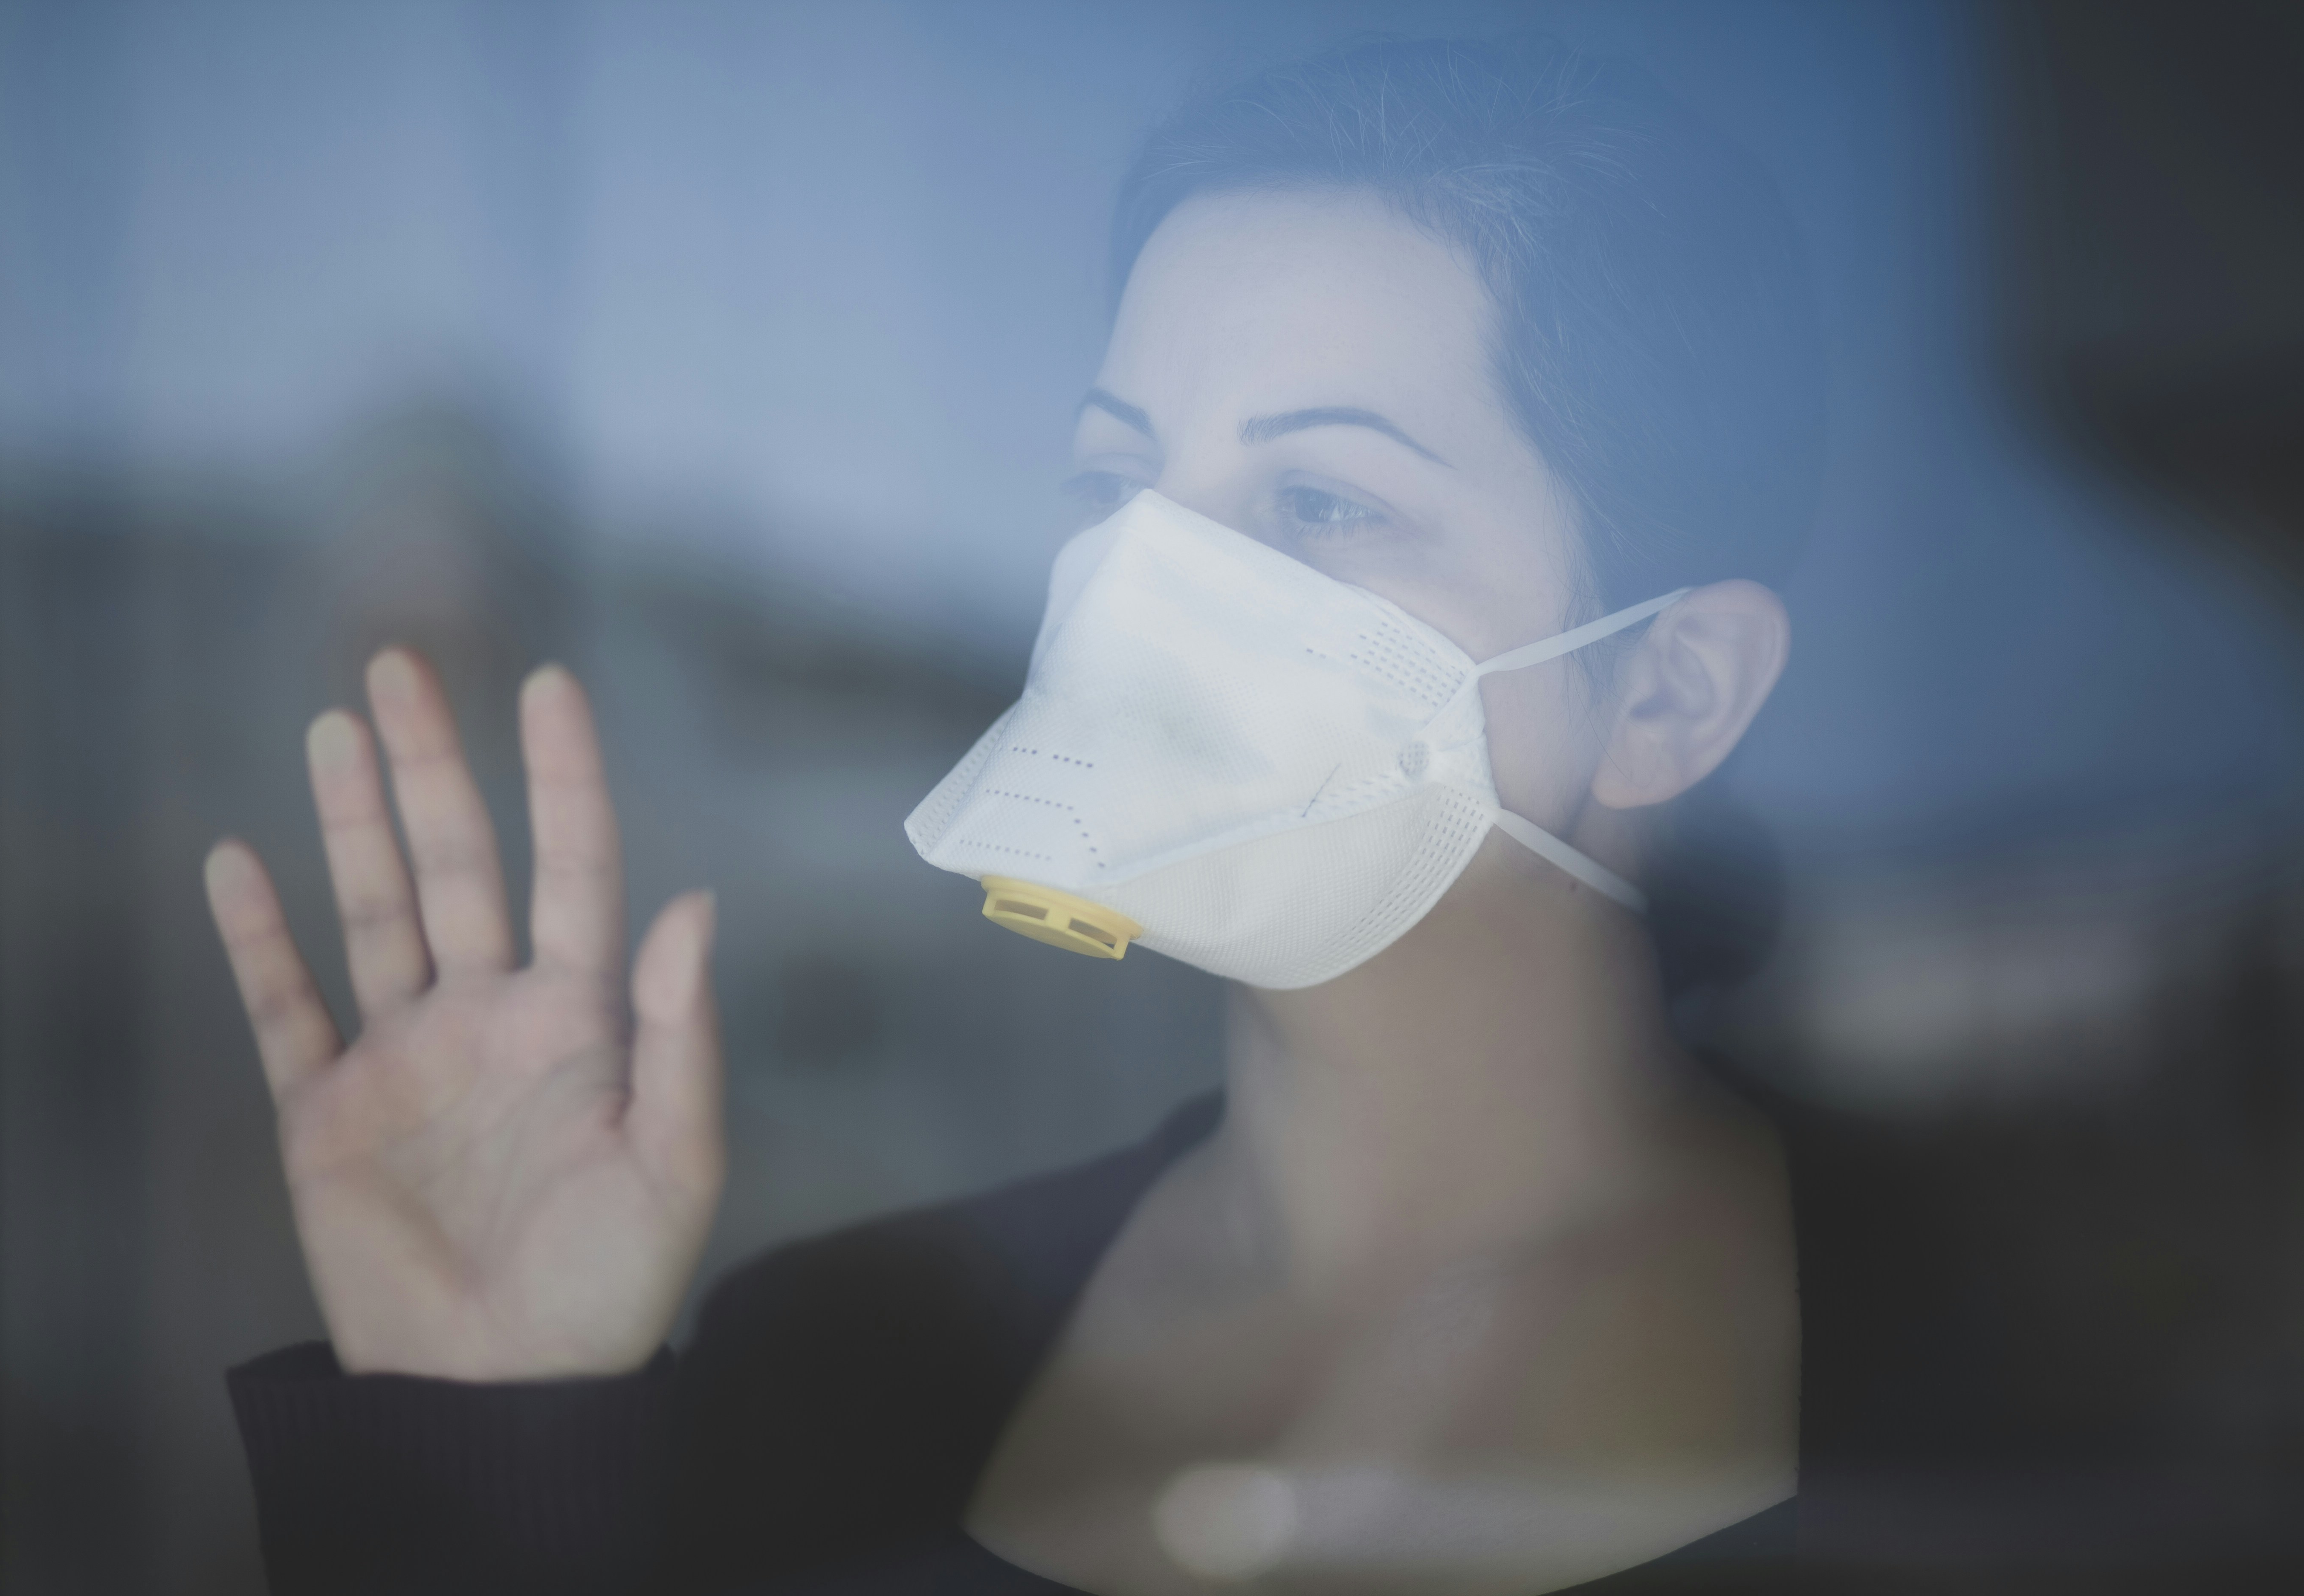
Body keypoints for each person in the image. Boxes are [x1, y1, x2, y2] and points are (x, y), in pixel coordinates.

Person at [204, 34, 1823, 1596]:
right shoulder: (838, 1361)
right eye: (1118, 491)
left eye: (1321, 505)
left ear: (1673, 692)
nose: (1144, 602)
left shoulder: (1970, 1389)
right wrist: (493, 1444)